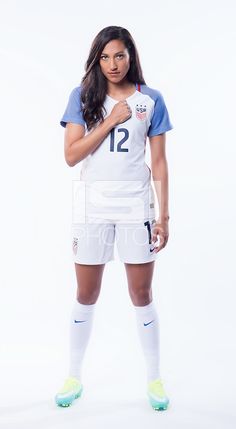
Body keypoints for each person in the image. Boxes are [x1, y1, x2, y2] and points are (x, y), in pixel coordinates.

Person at [55, 25, 173, 411]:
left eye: (119, 55)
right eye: (105, 57)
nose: (112, 64)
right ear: (97, 59)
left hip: (136, 207)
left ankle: (154, 380)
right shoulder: (82, 97)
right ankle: (73, 376)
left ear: (131, 55)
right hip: (92, 208)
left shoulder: (151, 100)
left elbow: (158, 163)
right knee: (86, 294)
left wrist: (164, 216)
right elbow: (71, 155)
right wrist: (109, 120)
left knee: (141, 294)